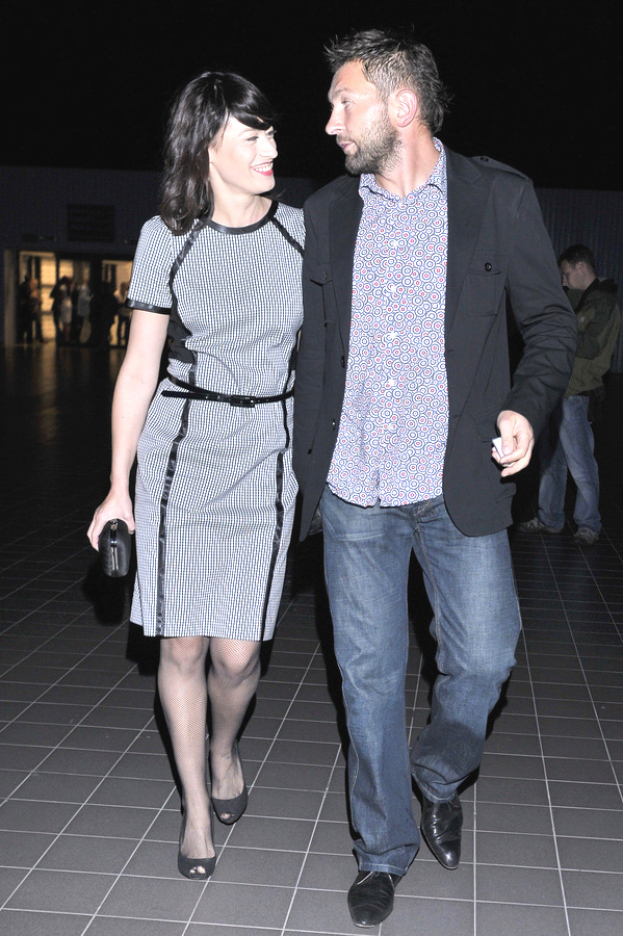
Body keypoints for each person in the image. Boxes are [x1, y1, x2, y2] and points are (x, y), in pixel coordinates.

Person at [293, 28, 576, 927]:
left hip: (458, 486)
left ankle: (439, 773)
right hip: (354, 493)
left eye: (345, 101)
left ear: (402, 106)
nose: (330, 121)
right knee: (368, 681)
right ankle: (382, 851)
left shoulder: (496, 197)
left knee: (485, 657)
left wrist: (525, 408)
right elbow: (314, 351)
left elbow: (550, 324)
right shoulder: (329, 213)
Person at [88, 71, 304, 880]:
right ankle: (193, 809)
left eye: (271, 131)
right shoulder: (164, 238)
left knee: (237, 656)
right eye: (252, 136)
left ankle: (223, 750)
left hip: (267, 455)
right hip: (182, 452)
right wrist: (118, 484)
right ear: (207, 145)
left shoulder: (303, 235)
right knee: (180, 645)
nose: (271, 147)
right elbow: (138, 369)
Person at [520, 245, 620, 545]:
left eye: (566, 274)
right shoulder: (577, 300)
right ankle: (550, 517)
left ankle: (589, 524)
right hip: (558, 389)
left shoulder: (604, 302)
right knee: (551, 461)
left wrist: (559, 330)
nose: (563, 281)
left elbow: (590, 347)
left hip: (577, 393)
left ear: (580, 267)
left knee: (581, 464)